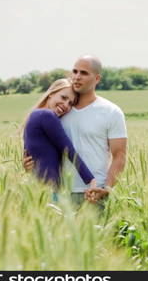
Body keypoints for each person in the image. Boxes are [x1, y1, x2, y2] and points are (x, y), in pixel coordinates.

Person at [24, 55, 127, 207]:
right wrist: (29, 164)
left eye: (84, 73)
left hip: (93, 192)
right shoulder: (59, 112)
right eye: (75, 71)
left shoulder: (111, 112)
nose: (77, 77)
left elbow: (119, 155)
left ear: (97, 78)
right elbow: (37, 142)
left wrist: (107, 188)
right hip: (58, 193)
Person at [23, 78, 97, 193]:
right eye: (63, 97)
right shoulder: (47, 115)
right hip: (50, 190)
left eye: (70, 103)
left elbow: (28, 154)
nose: (66, 105)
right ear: (51, 94)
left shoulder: (34, 115)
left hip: (37, 188)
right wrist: (90, 180)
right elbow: (68, 150)